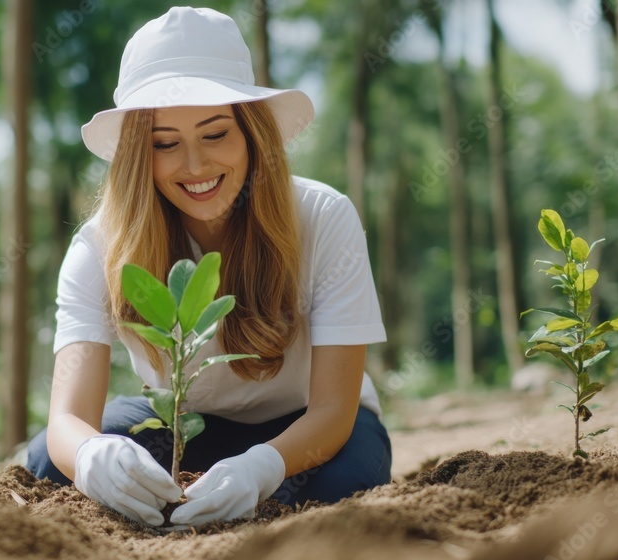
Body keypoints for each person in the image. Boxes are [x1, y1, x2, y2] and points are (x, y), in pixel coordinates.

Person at [26, 6, 391, 527]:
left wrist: (265, 467)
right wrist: (91, 458)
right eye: (165, 143)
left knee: (342, 482)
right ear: (137, 155)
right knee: (48, 463)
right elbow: (67, 420)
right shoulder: (99, 246)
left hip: (308, 426)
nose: (195, 166)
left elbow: (334, 411)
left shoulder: (323, 217)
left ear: (252, 133)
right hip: (180, 427)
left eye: (216, 134)